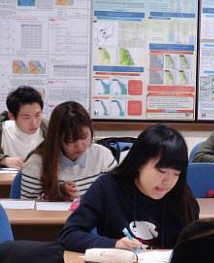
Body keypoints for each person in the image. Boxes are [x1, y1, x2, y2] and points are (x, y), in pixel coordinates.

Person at [59, 124, 199, 253]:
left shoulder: (181, 195)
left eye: (176, 174)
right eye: (161, 171)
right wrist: (114, 245)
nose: (168, 181)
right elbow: (69, 234)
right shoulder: (108, 187)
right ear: (139, 163)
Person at [20, 101, 115, 200]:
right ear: (57, 138)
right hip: (54, 216)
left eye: (84, 137)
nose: (79, 146)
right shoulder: (36, 164)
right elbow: (28, 208)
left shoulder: (103, 156)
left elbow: (117, 195)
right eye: (71, 140)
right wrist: (59, 193)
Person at [0, 86, 47, 169]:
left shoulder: (49, 128)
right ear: (11, 116)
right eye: (26, 117)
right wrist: (3, 160)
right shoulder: (3, 130)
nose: (34, 123)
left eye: (37, 115)